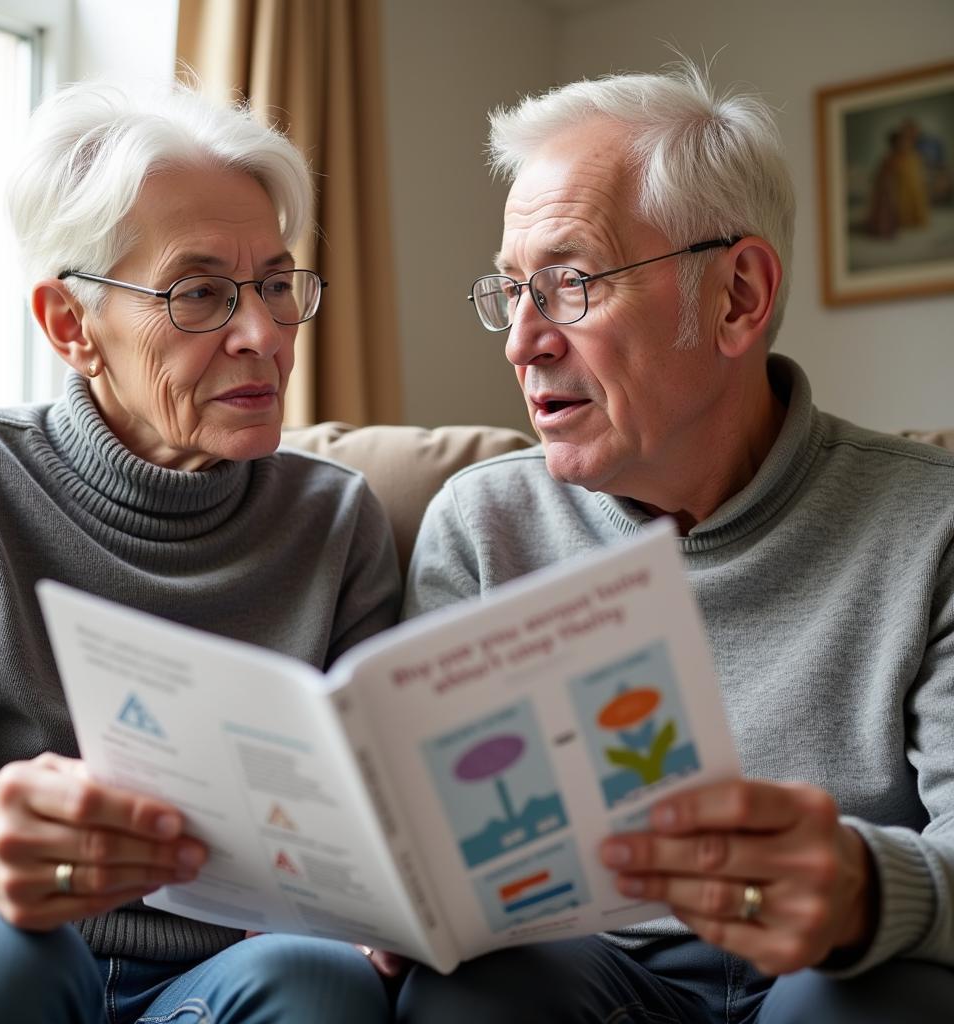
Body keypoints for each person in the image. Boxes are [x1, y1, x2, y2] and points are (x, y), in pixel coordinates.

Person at [389, 62, 954, 1021]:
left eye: (568, 283)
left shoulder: (931, 528)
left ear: (737, 296)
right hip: (585, 976)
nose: (521, 341)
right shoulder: (484, 527)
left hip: (830, 972)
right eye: (510, 291)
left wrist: (861, 887)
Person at [0, 81, 400, 1023]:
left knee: (318, 980)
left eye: (276, 283)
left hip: (237, 975)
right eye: (199, 293)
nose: (263, 335)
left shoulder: (336, 520)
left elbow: (375, 815)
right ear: (72, 327)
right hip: (16, 946)